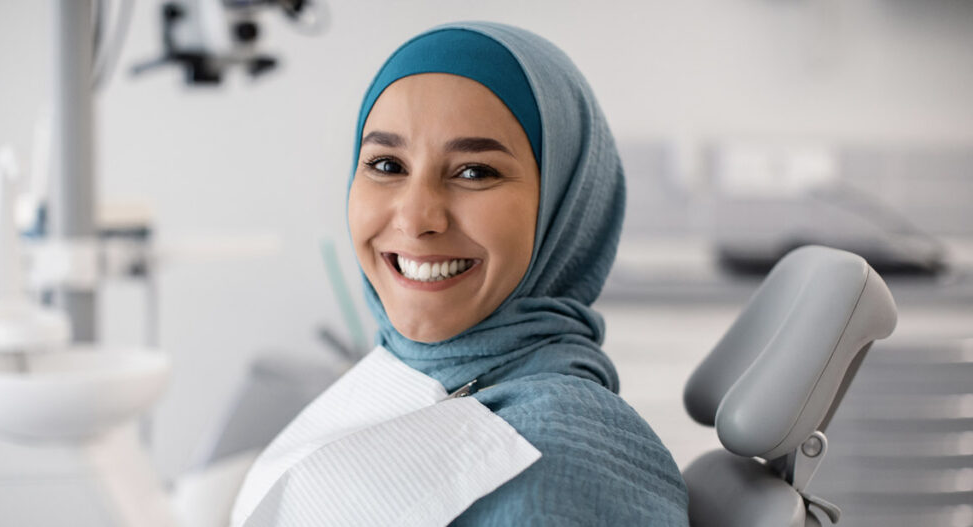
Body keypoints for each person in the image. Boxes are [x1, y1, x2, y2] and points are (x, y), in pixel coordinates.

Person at [230, 21, 689, 526]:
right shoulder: (407, 374)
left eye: (474, 172)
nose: (416, 218)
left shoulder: (559, 462)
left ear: (567, 207)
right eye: (386, 165)